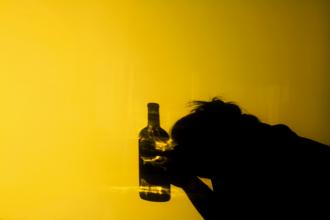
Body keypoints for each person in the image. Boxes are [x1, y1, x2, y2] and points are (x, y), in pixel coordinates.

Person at [166, 97, 330, 219]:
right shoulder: (257, 145)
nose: (180, 155)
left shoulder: (248, 161)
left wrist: (188, 182)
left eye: (185, 148)